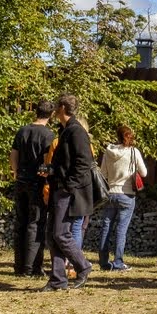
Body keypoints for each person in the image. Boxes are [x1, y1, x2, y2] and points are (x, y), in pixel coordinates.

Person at [43, 94, 95, 291]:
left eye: (57, 106)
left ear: (63, 108)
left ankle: (83, 266)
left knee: (60, 233)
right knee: (51, 234)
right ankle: (57, 279)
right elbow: (66, 163)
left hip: (68, 191)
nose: (55, 109)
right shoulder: (66, 131)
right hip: (59, 188)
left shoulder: (76, 132)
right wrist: (50, 172)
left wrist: (67, 186)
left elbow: (83, 163)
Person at [9, 100, 55, 277]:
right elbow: (46, 160)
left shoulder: (22, 131)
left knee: (21, 222)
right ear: (50, 115)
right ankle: (31, 268)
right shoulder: (47, 135)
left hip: (21, 180)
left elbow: (13, 154)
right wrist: (46, 179)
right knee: (35, 224)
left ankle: (19, 266)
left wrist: (16, 172)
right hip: (36, 182)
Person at [96, 124, 148, 270]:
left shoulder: (108, 151)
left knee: (106, 226)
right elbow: (143, 173)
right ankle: (118, 262)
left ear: (117, 136)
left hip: (110, 193)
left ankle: (103, 262)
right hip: (126, 194)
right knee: (121, 229)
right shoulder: (133, 152)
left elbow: (103, 174)